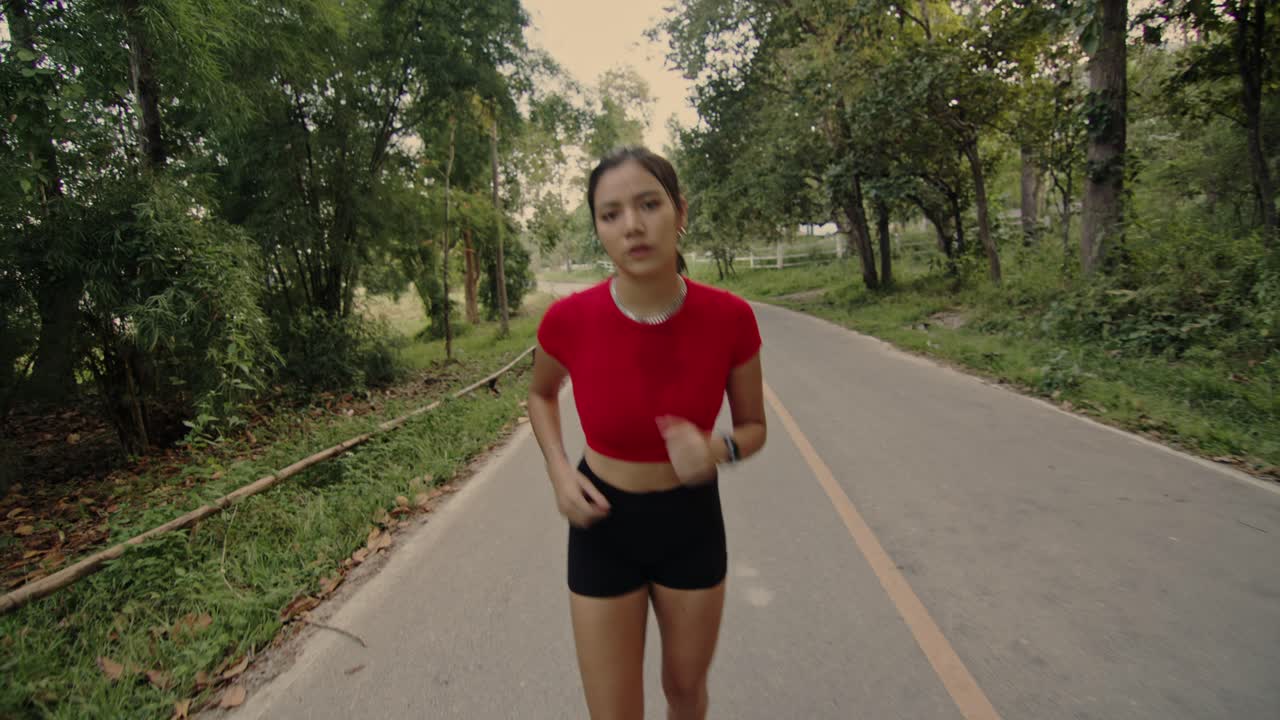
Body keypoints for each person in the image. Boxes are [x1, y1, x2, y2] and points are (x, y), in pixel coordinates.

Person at [527, 146, 767, 720]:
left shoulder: (730, 318)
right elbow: (539, 394)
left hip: (690, 523)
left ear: (680, 212)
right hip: (602, 523)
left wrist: (718, 448)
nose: (632, 226)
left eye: (648, 204)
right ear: (598, 230)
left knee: (685, 691)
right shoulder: (569, 320)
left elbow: (754, 427)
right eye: (610, 214)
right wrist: (560, 471)